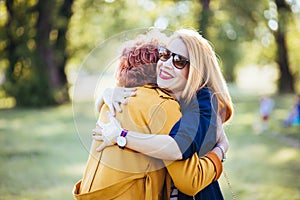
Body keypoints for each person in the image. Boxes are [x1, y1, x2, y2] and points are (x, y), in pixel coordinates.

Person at [73, 32, 227, 200]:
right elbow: (189, 180)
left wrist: (120, 134)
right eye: (164, 55)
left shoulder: (116, 101)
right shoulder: (159, 105)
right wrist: (221, 150)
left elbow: (176, 148)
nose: (166, 64)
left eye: (179, 61)